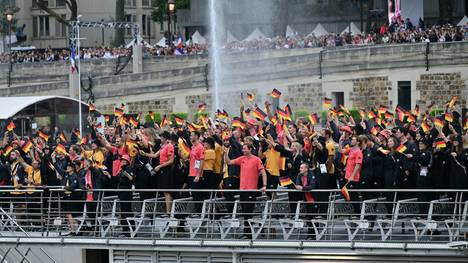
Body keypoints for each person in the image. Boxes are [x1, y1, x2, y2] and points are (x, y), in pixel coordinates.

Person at [224, 143, 267, 239]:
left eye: (244, 149)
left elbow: (263, 173)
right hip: (242, 190)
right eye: (243, 149)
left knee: (248, 212)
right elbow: (229, 162)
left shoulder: (256, 159)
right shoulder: (242, 159)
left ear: (250, 149)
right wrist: (225, 153)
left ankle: (248, 234)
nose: (243, 150)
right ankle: (247, 233)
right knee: (245, 213)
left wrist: (264, 185)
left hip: (251, 190)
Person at [294, 163, 319, 239]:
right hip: (306, 199)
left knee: (313, 218)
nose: (300, 169)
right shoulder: (299, 175)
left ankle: (314, 235)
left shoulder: (311, 175)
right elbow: (297, 184)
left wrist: (302, 188)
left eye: (301, 168)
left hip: (314, 199)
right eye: (300, 167)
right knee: (308, 218)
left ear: (306, 169)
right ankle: (310, 234)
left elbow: (312, 186)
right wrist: (300, 187)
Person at [117, 155, 134, 237]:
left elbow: (132, 178)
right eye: (122, 160)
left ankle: (128, 231)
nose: (122, 161)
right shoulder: (122, 169)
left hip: (126, 192)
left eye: (124, 160)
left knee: (126, 211)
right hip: (122, 192)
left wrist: (126, 174)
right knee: (124, 211)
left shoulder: (129, 168)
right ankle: (127, 230)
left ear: (127, 161)